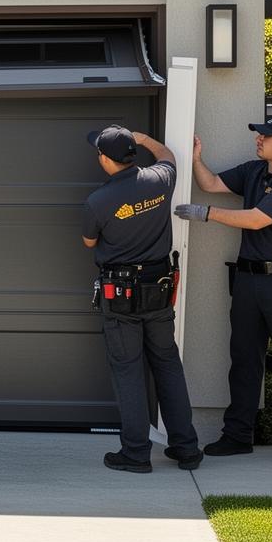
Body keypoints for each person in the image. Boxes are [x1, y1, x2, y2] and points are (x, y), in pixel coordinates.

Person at [176, 115, 272, 464]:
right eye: (259, 134)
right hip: (248, 281)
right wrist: (195, 159)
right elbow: (210, 183)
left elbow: (256, 218)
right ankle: (238, 435)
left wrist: (205, 214)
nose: (259, 139)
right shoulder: (255, 172)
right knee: (243, 360)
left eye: (266, 135)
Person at [81, 125, 202, 473]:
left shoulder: (97, 202)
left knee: (128, 370)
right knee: (167, 364)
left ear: (106, 159)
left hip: (120, 296)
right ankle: (186, 448)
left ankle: (136, 453)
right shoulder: (159, 180)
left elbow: (89, 243)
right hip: (158, 289)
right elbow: (168, 157)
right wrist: (145, 139)